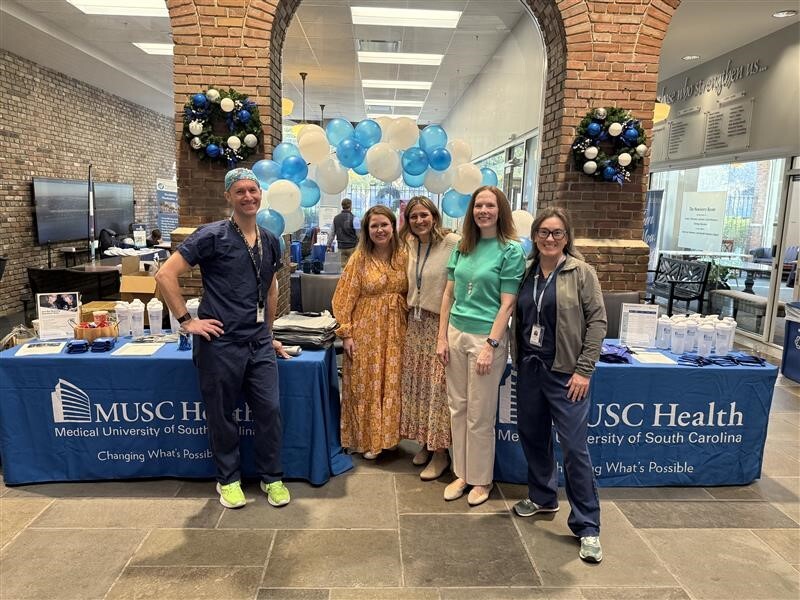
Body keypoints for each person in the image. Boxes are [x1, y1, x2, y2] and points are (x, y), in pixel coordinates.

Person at [155, 167, 292, 510]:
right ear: (228, 196)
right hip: (221, 343)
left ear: (261, 195)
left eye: (253, 190)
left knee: (269, 411)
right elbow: (165, 274)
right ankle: (228, 480)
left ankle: (271, 476)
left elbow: (272, 290)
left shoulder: (272, 240)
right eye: (241, 191)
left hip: (257, 343)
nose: (248, 196)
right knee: (221, 414)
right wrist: (188, 321)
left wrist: (269, 334)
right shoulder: (211, 236)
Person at [511, 206, 606, 564]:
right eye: (544, 233)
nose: (550, 239)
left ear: (567, 238)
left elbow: (598, 322)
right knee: (532, 436)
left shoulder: (581, 272)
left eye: (558, 233)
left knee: (574, 449)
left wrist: (584, 370)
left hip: (567, 373)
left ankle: (588, 526)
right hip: (530, 368)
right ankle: (542, 496)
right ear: (535, 236)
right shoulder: (526, 271)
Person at [437, 186, 525, 506]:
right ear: (471, 211)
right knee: (457, 408)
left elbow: (508, 304)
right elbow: (449, 294)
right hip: (456, 333)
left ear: (500, 210)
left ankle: (481, 480)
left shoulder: (510, 250)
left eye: (489, 205)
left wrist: (491, 345)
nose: (483, 210)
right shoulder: (463, 246)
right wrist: (441, 336)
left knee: (480, 414)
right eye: (478, 205)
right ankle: (461, 473)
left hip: (486, 338)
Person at [332, 205, 408, 460]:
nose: (379, 230)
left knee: (392, 383)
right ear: (366, 230)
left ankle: (388, 438)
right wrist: (347, 333)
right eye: (374, 225)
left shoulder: (404, 255)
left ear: (393, 226)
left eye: (384, 224)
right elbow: (343, 297)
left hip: (396, 329)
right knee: (366, 384)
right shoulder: (359, 259)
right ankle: (368, 440)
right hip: (366, 330)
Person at [398, 197, 459, 480]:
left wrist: (444, 334)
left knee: (437, 389)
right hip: (415, 322)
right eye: (413, 217)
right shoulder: (408, 245)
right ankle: (424, 441)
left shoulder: (452, 243)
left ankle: (440, 454)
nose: (419, 221)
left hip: (438, 322)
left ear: (434, 216)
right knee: (418, 386)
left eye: (424, 215)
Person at [330, 198, 358, 267]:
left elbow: (332, 233)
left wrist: (328, 245)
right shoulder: (355, 218)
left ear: (342, 206)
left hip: (340, 247)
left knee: (342, 268)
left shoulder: (336, 218)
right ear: (350, 206)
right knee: (352, 267)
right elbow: (359, 234)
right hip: (352, 247)